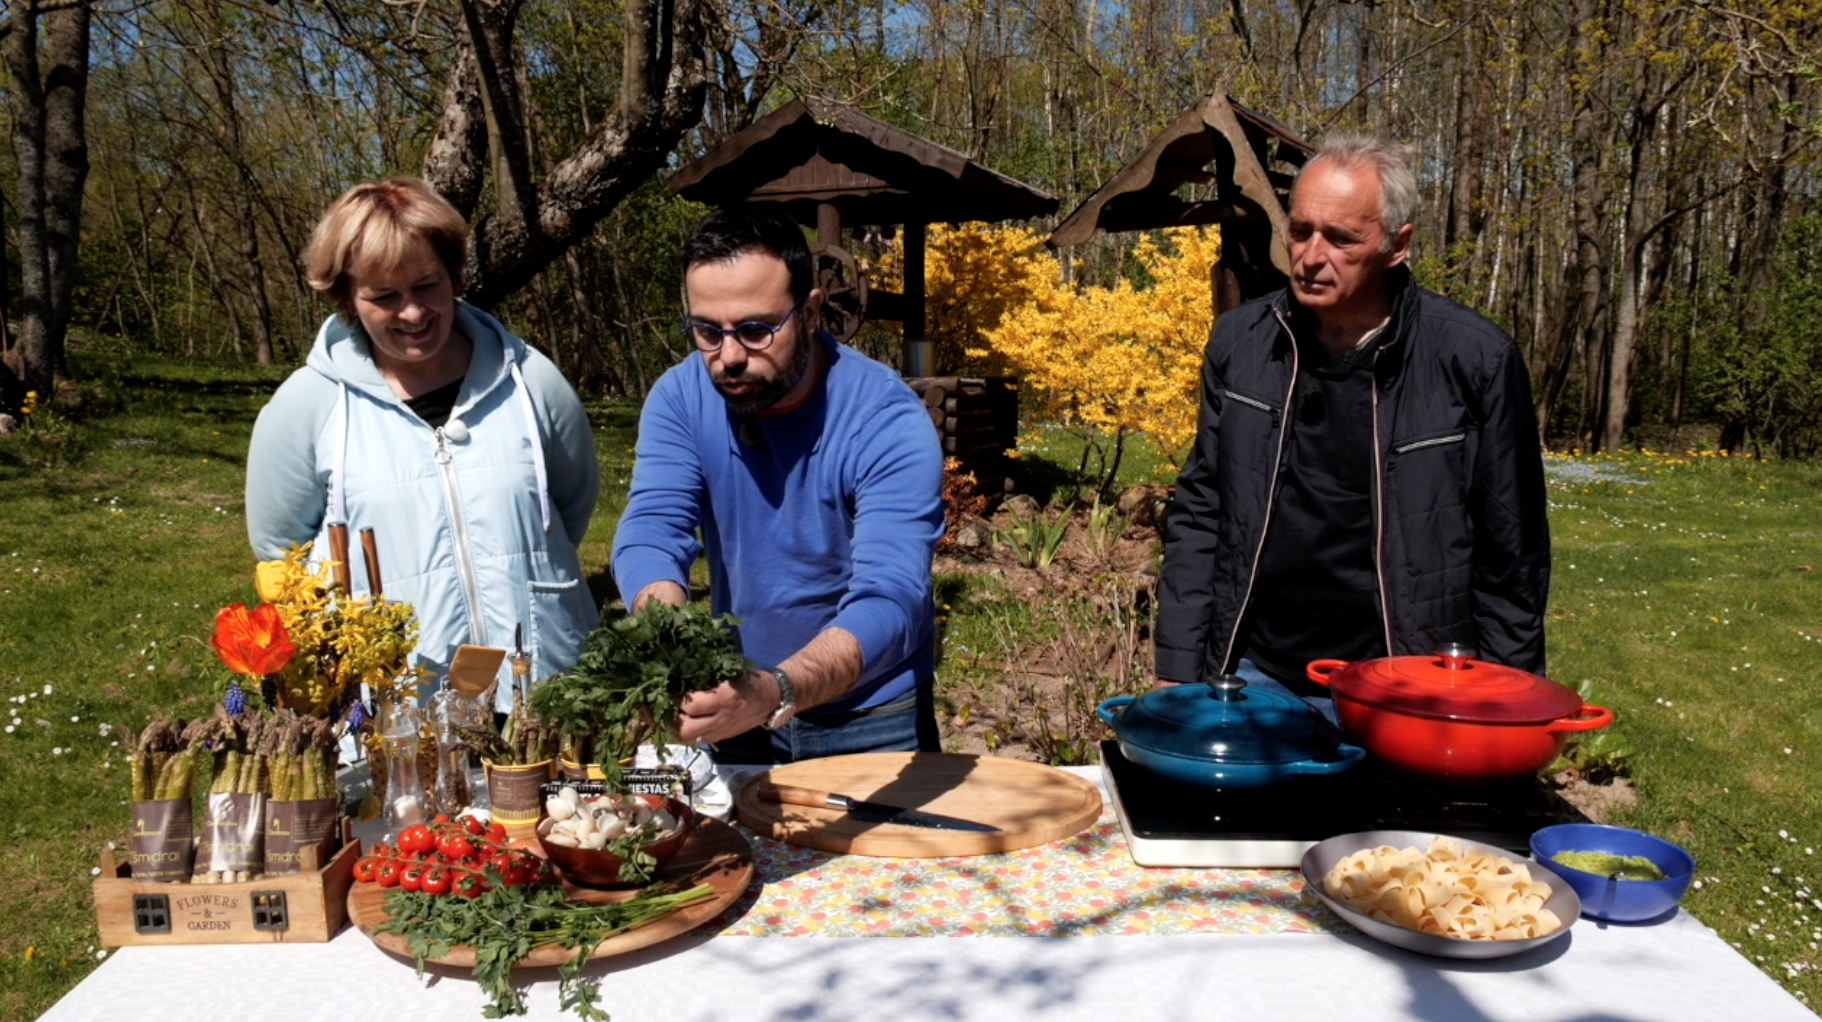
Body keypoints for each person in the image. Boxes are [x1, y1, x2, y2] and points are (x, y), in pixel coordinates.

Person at [1154, 132, 1550, 714]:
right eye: (1300, 230)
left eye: (1340, 239)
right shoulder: (1242, 343)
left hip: (1410, 685)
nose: (1311, 256)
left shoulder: (1472, 360)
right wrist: (1178, 669)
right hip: (1252, 675)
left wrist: (1504, 707)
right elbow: (1201, 510)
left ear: (1396, 245)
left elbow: (1512, 553)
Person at [246, 177, 600, 705]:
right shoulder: (308, 405)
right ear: (347, 296)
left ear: (455, 275)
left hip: (541, 688)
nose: (412, 313)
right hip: (398, 709)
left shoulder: (531, 379)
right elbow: (280, 555)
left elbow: (570, 508)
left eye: (427, 286)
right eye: (384, 296)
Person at [611, 206, 945, 764]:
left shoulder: (885, 418)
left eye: (755, 329)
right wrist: (662, 624)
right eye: (707, 332)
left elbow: (892, 596)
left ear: (811, 313)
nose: (730, 358)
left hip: (870, 716)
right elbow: (652, 528)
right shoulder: (679, 398)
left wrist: (779, 689)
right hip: (736, 703)